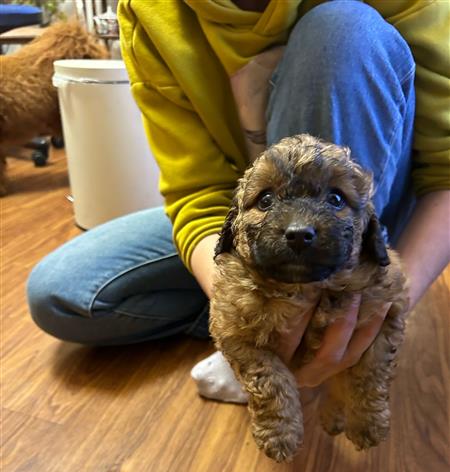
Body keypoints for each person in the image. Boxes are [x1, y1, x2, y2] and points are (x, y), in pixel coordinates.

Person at [27, 0, 449, 404]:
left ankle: (330, 321)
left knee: (342, 30)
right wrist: (236, 317)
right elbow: (197, 192)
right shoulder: (148, 12)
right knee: (62, 294)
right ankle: (279, 330)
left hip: (363, 222)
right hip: (249, 225)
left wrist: (390, 300)